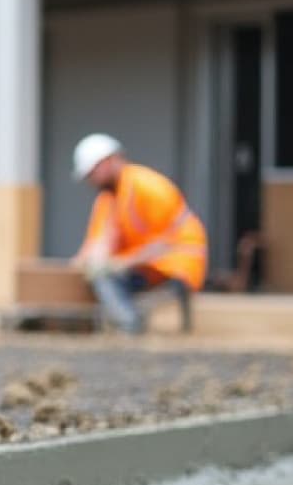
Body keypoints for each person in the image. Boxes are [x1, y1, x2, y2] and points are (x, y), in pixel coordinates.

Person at [68, 132, 208, 335]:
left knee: (106, 275)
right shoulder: (108, 198)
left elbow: (165, 243)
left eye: (92, 172)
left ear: (109, 161)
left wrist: (121, 263)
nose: (91, 180)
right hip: (147, 268)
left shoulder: (149, 187)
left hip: (177, 266)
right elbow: (97, 243)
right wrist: (78, 265)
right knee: (99, 272)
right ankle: (124, 321)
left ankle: (130, 325)